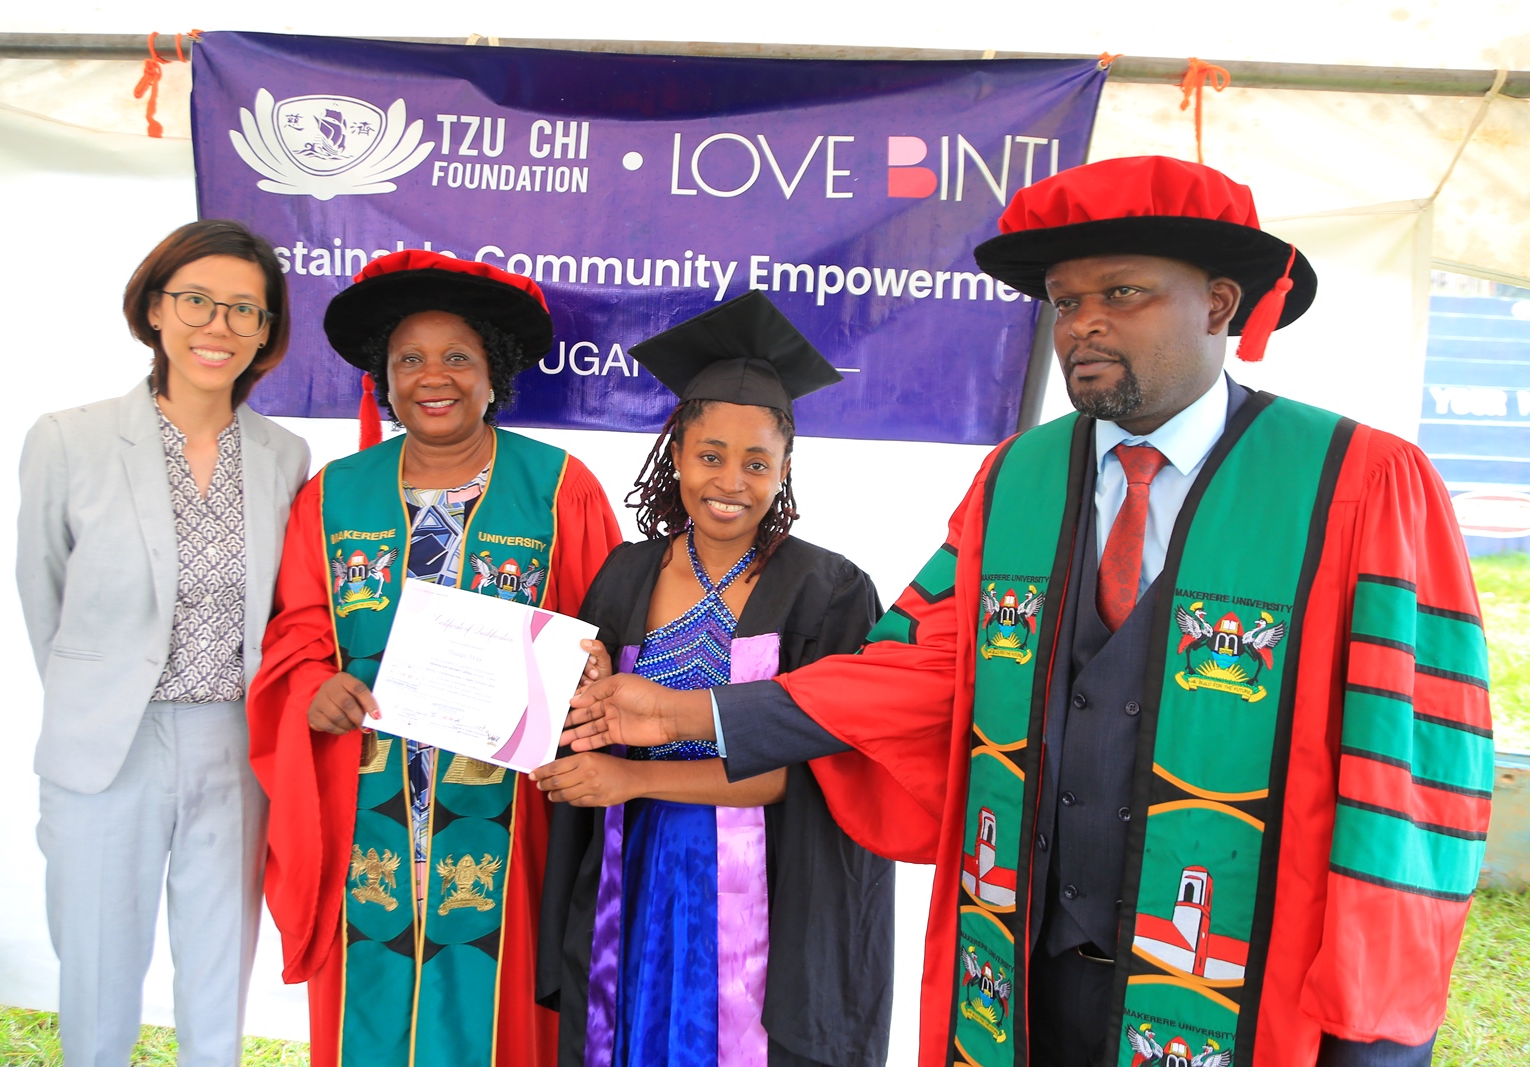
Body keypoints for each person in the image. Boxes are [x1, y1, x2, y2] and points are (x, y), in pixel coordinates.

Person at [562, 157, 1492, 1067]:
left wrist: (1377, 1020)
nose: (1082, 325)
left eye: (1120, 293)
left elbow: (1413, 766)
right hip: (1016, 959)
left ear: (1218, 304)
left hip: (1241, 972)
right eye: (1064, 301)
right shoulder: (1019, 477)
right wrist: (694, 710)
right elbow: (921, 667)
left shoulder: (1357, 482)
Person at [247, 249, 622, 1067]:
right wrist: (314, 685)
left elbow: (610, 631)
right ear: (385, 378)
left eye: (458, 356)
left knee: (494, 1005)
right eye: (408, 358)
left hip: (509, 814)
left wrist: (596, 665)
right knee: (368, 1003)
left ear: (495, 374)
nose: (432, 375)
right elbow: (297, 626)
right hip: (369, 800)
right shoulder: (334, 493)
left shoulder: (560, 489)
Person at [531, 292, 896, 1067]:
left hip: (763, 884)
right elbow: (585, 716)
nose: (730, 480)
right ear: (676, 455)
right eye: (710, 455)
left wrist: (631, 777)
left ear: (785, 468)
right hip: (632, 876)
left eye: (756, 462)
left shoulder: (826, 590)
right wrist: (578, 673)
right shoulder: (628, 572)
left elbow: (810, 770)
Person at [16, 219, 309, 1067]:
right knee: (100, 972)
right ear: (153, 309)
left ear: (266, 332)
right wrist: (94, 698)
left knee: (219, 974)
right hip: (109, 743)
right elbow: (45, 594)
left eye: (244, 311)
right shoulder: (67, 439)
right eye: (196, 301)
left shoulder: (284, 455)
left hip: (235, 739)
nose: (217, 326)